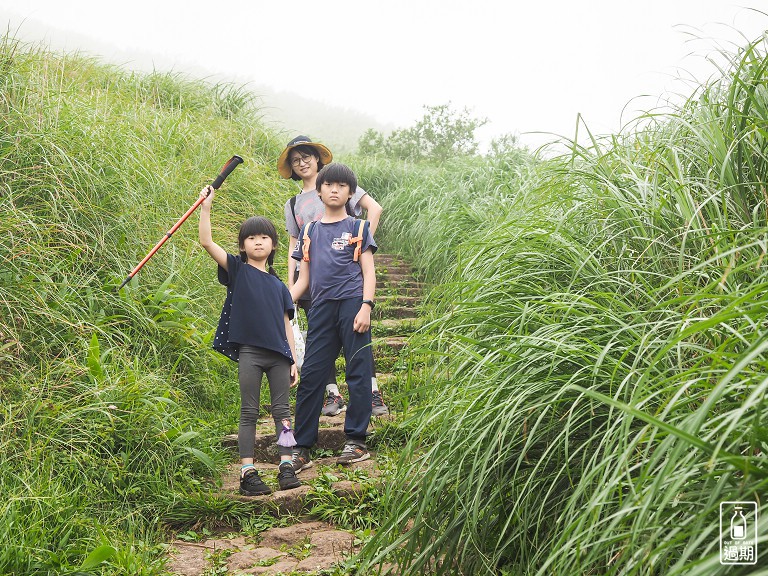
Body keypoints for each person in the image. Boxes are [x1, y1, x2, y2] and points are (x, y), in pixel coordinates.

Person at [198, 184, 302, 495]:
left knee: (283, 412)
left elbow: (287, 326)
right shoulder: (238, 271)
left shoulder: (280, 286)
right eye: (251, 238)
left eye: (264, 237)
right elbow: (206, 242)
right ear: (243, 246)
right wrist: (206, 207)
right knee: (249, 411)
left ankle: (286, 465)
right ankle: (247, 471)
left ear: (273, 245)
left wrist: (294, 358)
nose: (258, 241)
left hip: (280, 356)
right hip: (250, 354)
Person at [278, 135, 389, 417]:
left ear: (317, 159)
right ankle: (332, 395)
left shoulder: (338, 181)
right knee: (319, 339)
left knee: (357, 335)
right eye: (296, 160)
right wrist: (291, 282)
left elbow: (374, 208)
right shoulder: (293, 204)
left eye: (306, 157)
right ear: (291, 168)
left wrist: (362, 242)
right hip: (312, 278)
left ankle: (372, 394)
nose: (302, 163)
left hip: (348, 275)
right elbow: (294, 243)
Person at [289, 163, 377, 471]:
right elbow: (304, 279)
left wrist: (366, 306)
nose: (335, 189)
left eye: (342, 186)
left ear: (351, 193)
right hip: (321, 307)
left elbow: (368, 271)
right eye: (329, 185)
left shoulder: (358, 227)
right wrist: (284, 300)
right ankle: (301, 447)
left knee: (358, 371)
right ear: (320, 190)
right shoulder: (310, 230)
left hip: (353, 304)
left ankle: (356, 440)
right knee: (312, 375)